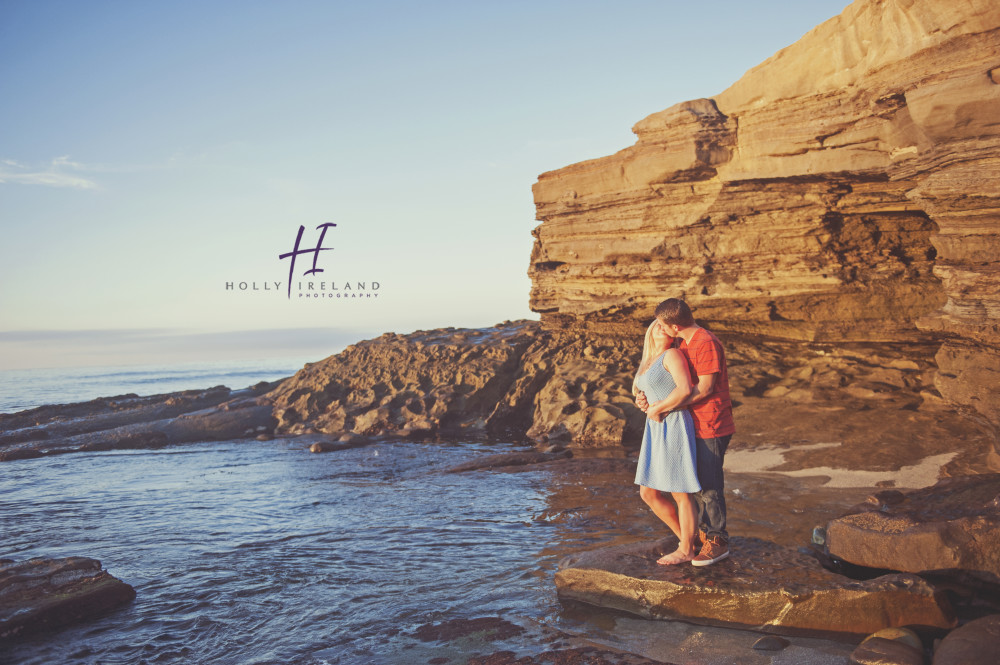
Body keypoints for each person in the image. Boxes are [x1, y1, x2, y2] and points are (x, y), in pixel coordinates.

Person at [638, 298, 735, 567]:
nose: (657, 328)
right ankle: (697, 537)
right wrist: (648, 401)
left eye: (661, 324)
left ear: (674, 326)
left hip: (711, 424)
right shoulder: (683, 344)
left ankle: (718, 541)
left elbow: (704, 389)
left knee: (709, 487)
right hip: (689, 423)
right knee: (696, 485)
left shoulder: (706, 342)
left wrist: (663, 408)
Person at [632, 319, 701, 565]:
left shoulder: (672, 354)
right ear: (649, 330)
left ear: (673, 333)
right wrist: (643, 403)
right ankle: (688, 540)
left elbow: (684, 389)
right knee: (648, 492)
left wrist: (656, 407)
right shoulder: (648, 360)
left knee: (680, 492)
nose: (660, 326)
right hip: (654, 426)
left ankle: (687, 549)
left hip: (673, 422)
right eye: (656, 323)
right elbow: (649, 391)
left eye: (665, 324)